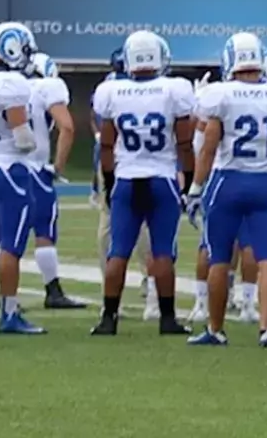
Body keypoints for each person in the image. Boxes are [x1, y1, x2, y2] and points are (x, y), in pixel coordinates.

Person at [185, 32, 267, 347]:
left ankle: (215, 329)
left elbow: (208, 147)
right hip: (264, 183)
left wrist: (196, 188)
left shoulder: (219, 94)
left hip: (226, 182)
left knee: (220, 258)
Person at [91, 30, 195, 337]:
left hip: (126, 177)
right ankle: (167, 318)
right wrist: (187, 181)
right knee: (162, 251)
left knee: (118, 250)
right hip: (161, 178)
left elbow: (107, 146)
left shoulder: (113, 91)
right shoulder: (174, 89)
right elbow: (185, 145)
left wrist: (109, 183)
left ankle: (109, 318)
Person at [0, 22, 44, 335]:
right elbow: (23, 138)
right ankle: (9, 313)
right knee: (11, 247)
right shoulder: (11, 83)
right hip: (9, 170)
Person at [25, 52, 86, 309]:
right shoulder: (47, 86)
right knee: (44, 232)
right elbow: (67, 127)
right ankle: (52, 290)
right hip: (33, 169)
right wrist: (57, 166)